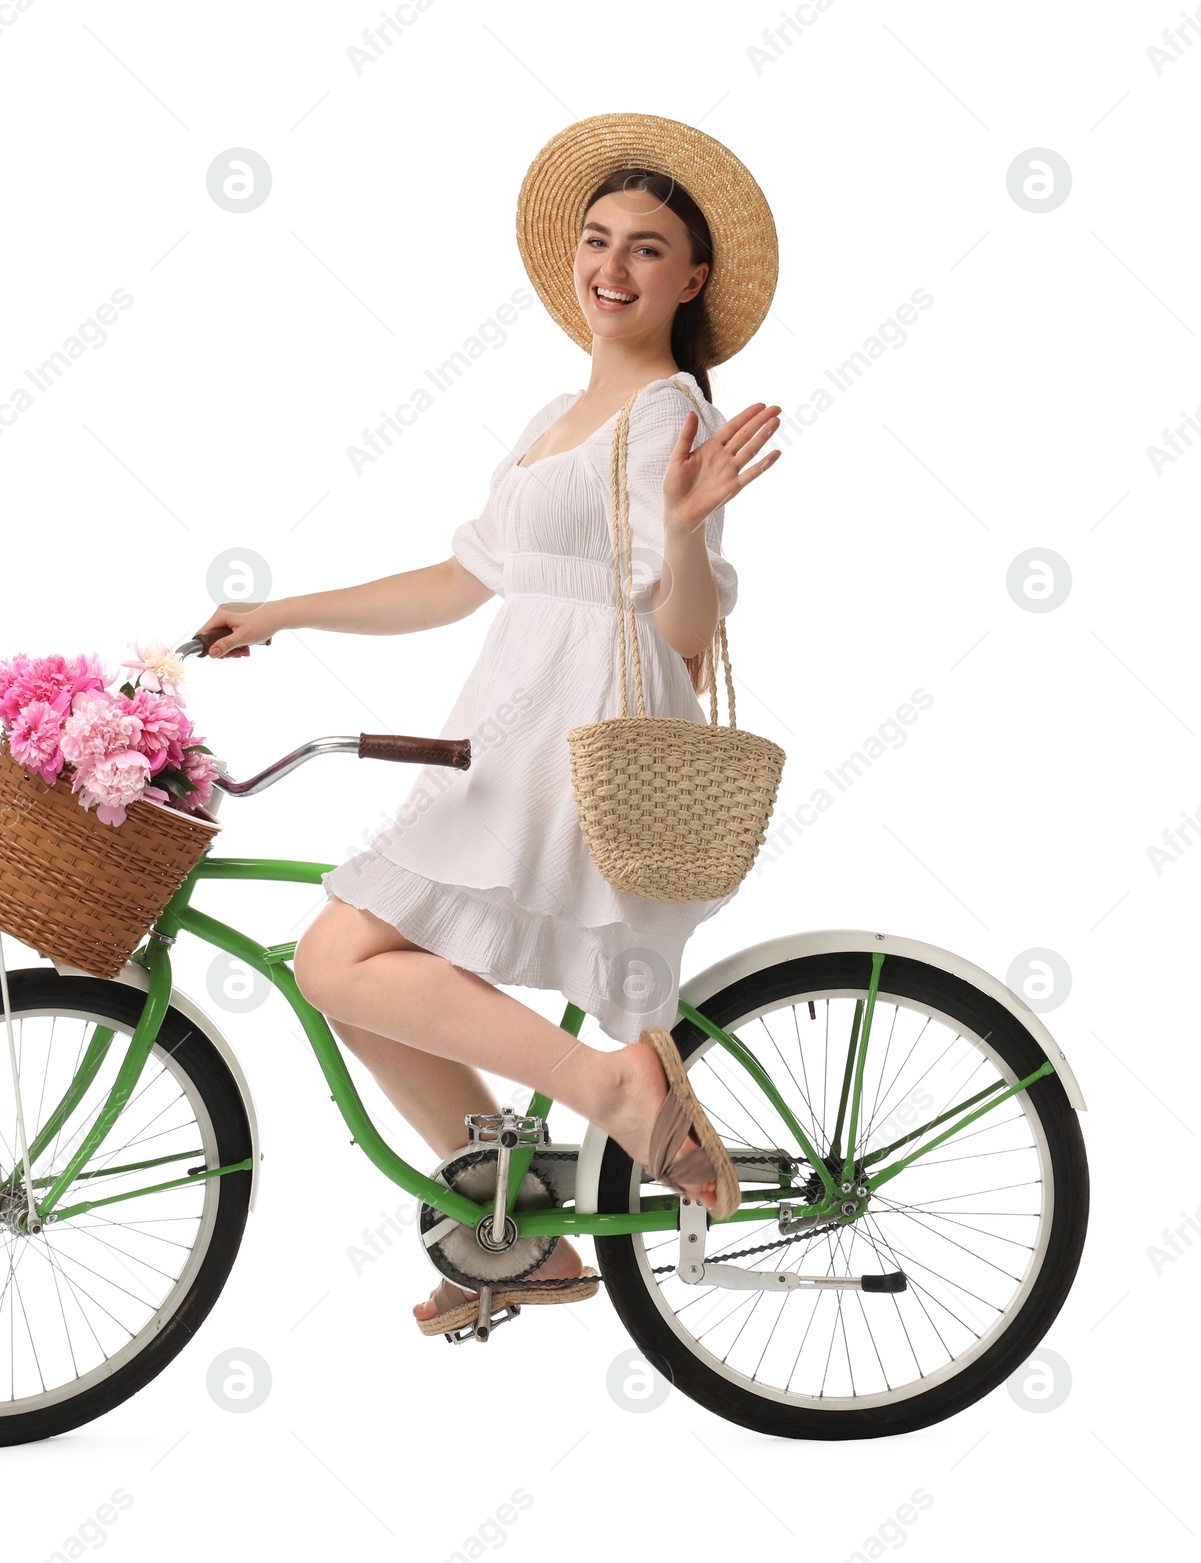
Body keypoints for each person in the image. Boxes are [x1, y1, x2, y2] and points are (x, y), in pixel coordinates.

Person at [193, 113, 783, 1335]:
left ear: (694, 278)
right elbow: (463, 581)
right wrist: (284, 612)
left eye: (648, 248)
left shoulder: (668, 415)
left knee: (332, 958)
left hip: (582, 735)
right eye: (597, 239)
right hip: (508, 724)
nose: (611, 268)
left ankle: (618, 1090)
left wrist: (682, 531)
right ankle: (521, 1236)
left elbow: (678, 635)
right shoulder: (548, 419)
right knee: (360, 979)